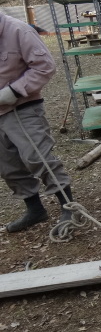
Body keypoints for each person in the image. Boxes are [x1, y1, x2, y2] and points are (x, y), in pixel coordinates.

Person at [0, 12, 73, 233]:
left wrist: (14, 91)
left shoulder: (19, 30)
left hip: (22, 107)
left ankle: (68, 207)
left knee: (37, 157)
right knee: (7, 166)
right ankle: (35, 211)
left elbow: (45, 66)